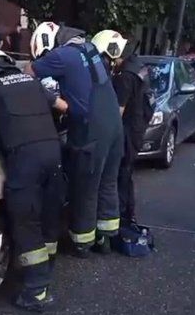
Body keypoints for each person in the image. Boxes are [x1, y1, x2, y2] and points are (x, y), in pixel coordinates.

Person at [0, 45, 67, 312]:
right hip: (53, 154)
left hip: (26, 161)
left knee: (26, 221)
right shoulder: (33, 83)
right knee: (47, 216)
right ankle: (44, 275)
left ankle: (36, 293)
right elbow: (61, 105)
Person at [25, 22, 124, 257]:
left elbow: (29, 73)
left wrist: (49, 96)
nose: (46, 58)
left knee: (86, 187)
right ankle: (105, 238)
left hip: (92, 130)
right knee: (107, 183)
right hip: (113, 126)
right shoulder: (89, 49)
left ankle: (83, 243)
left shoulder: (61, 55)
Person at [92, 30, 153, 228]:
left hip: (127, 131)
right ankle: (127, 216)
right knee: (126, 174)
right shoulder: (137, 66)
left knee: (120, 175)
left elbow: (116, 112)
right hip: (137, 127)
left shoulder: (125, 76)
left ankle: (121, 218)